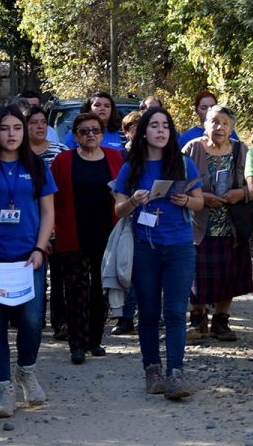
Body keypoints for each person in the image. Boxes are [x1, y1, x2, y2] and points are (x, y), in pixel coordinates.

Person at [0, 106, 57, 418]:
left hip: (28, 260)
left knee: (31, 322)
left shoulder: (39, 167)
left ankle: (25, 371)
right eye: (5, 128)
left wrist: (40, 249)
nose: (12, 134)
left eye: (17, 127)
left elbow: (47, 212)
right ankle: (3, 388)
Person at [112, 107, 203, 400]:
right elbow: (118, 209)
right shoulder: (131, 167)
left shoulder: (185, 164)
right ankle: (152, 370)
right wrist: (134, 202)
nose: (161, 131)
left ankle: (175, 374)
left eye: (166, 126)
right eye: (154, 125)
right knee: (148, 312)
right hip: (144, 247)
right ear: (144, 132)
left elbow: (200, 203)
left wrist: (186, 199)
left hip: (179, 247)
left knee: (176, 312)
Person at [51, 113, 125, 363]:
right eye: (83, 131)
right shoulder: (63, 160)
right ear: (75, 136)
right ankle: (76, 344)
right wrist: (51, 227)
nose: (90, 134)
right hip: (73, 233)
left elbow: (124, 192)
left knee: (100, 289)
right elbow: (51, 199)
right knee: (75, 290)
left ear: (102, 134)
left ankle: (95, 339)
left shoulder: (115, 158)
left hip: (107, 234)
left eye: (95, 130)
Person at [182, 105, 253, 342]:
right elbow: (177, 180)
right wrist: (202, 197)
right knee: (197, 274)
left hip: (230, 224)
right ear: (205, 124)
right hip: (199, 224)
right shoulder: (192, 148)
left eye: (224, 123)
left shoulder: (241, 149)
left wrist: (240, 194)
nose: (219, 127)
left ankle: (221, 322)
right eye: (214, 122)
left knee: (229, 274)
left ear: (232, 127)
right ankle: (198, 320)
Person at [25, 106, 68, 341]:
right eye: (33, 122)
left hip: (57, 220)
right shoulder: (17, 154)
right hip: (28, 223)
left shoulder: (61, 151)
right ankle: (33, 318)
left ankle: (60, 322)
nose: (39, 126)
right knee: (32, 270)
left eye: (43, 122)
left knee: (59, 275)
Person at [110, 109, 144, 337]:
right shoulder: (122, 156)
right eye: (135, 127)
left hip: (155, 220)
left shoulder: (161, 155)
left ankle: (149, 315)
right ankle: (125, 317)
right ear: (126, 131)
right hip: (128, 217)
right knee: (127, 269)